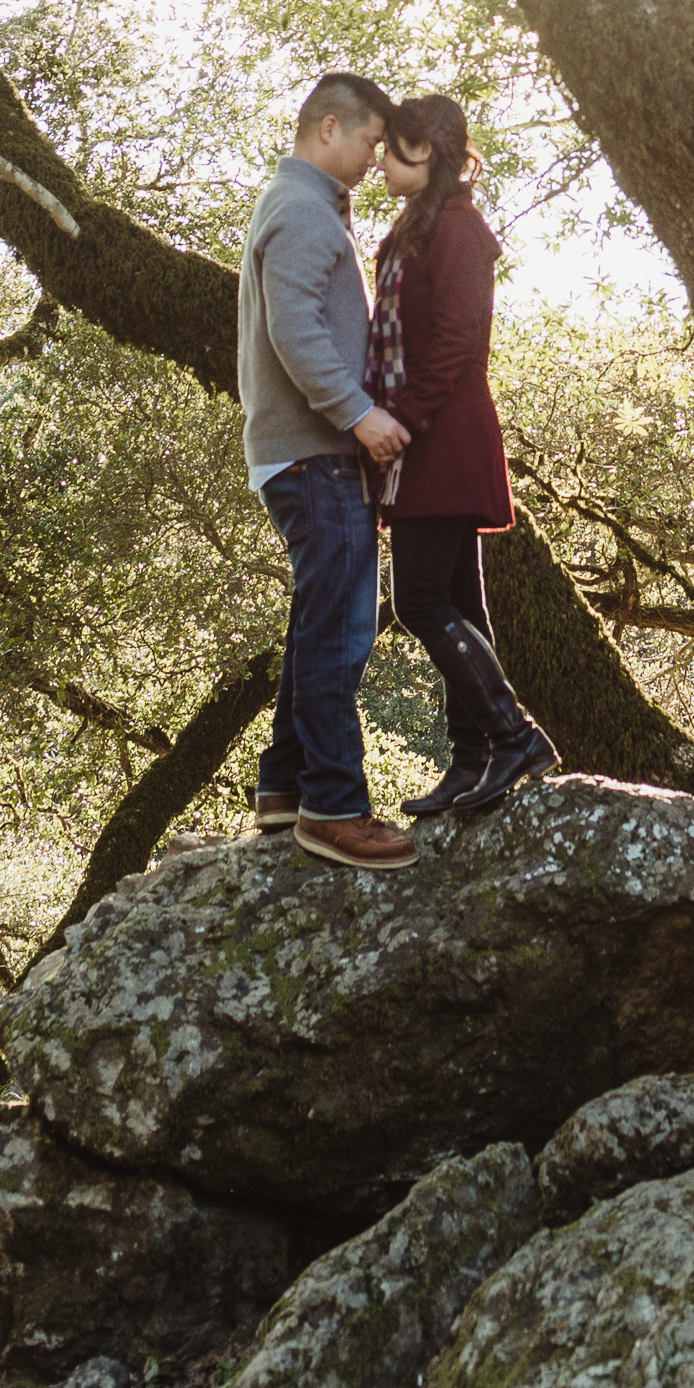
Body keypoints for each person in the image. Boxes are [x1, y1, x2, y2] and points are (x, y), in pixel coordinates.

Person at [239, 71, 416, 872]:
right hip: (313, 453)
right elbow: (295, 331)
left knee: (319, 617)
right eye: (369, 143)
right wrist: (359, 413)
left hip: (302, 451)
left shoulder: (299, 204)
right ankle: (334, 806)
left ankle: (283, 787)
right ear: (328, 129)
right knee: (343, 626)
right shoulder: (304, 211)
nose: (372, 160)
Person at [367, 92, 559, 820]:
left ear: (426, 150)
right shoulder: (422, 224)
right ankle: (472, 758)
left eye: (393, 145)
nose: (381, 158)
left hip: (441, 437)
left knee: (417, 599)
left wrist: (400, 422)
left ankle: (515, 735)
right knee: (463, 607)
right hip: (430, 437)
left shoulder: (458, 230)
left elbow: (456, 340)